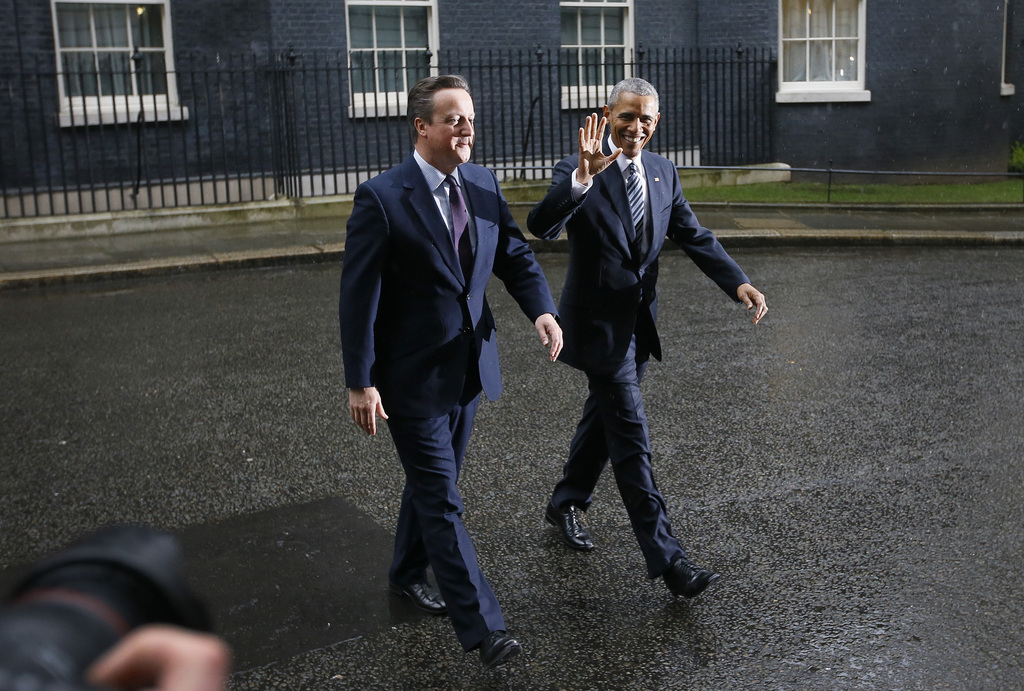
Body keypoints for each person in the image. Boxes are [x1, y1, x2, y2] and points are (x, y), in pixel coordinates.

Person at [339, 74, 562, 668]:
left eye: (469, 118)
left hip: (468, 368)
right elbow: (357, 297)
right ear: (422, 127)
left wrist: (541, 309)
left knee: (431, 483)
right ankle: (486, 628)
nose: (466, 129)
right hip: (408, 380)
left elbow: (513, 254)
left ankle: (406, 571)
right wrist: (359, 381)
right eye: (453, 119)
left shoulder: (483, 184)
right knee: (442, 498)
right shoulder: (382, 198)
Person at [529, 77, 767, 598]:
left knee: (604, 419)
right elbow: (541, 224)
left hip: (639, 325)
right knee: (631, 439)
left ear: (655, 124)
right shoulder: (578, 170)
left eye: (646, 119)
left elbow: (691, 232)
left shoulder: (662, 171)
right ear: (607, 116)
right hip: (596, 328)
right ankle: (670, 561)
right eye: (626, 117)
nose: (635, 127)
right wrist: (582, 180)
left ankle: (565, 501)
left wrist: (738, 282)